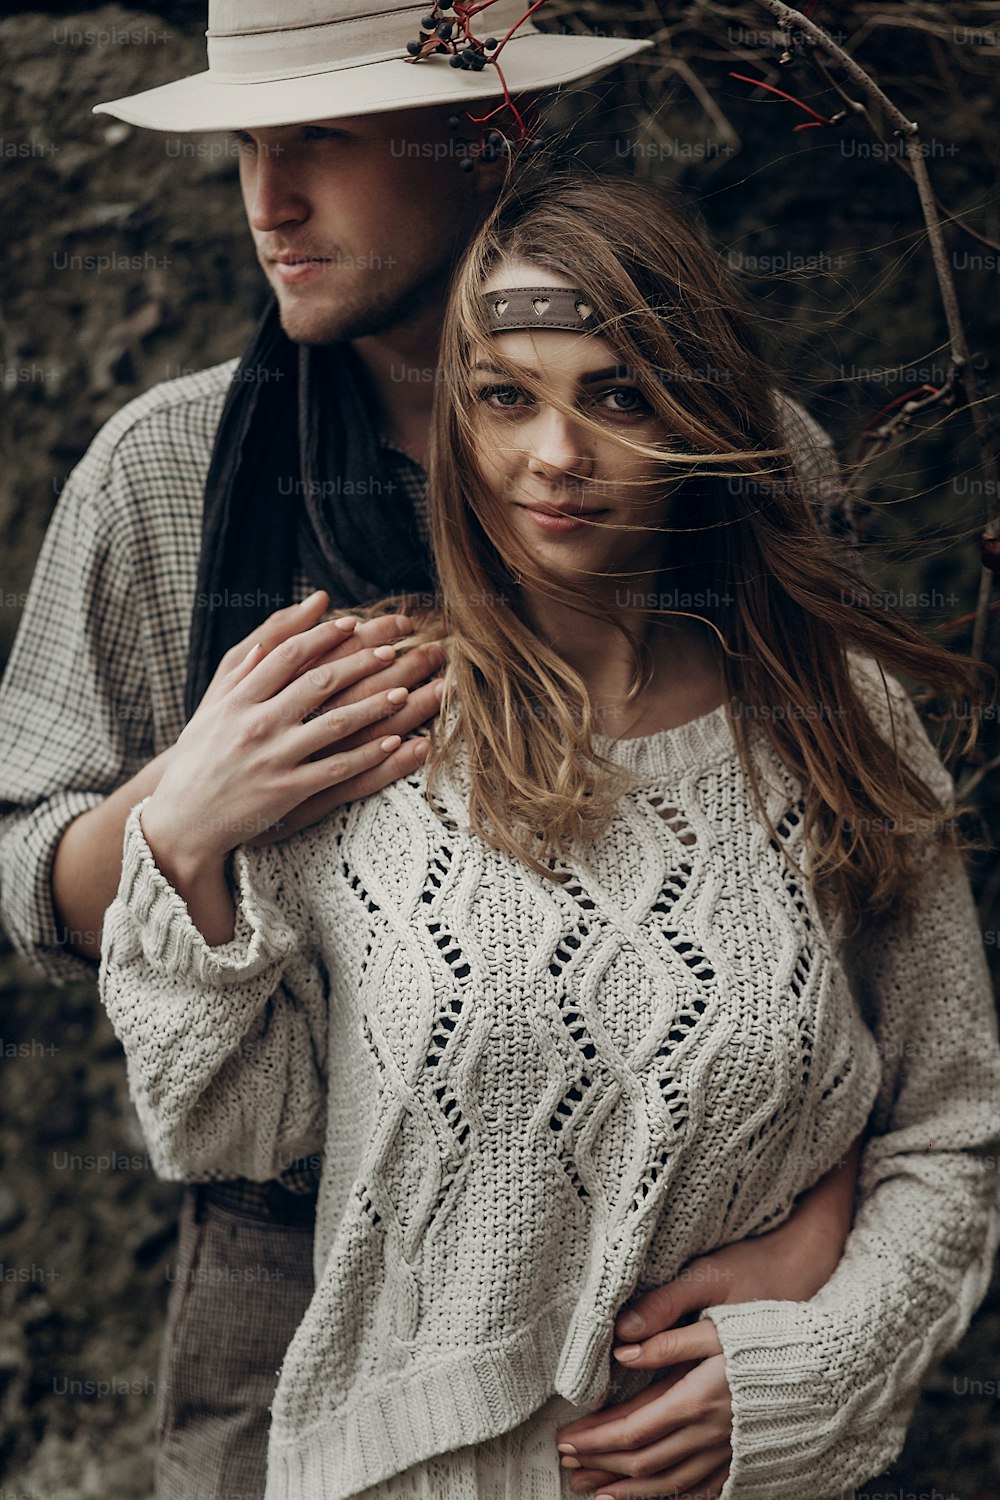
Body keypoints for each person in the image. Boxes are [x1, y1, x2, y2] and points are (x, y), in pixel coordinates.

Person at [0, 2, 862, 1495]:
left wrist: (822, 1233)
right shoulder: (167, 473)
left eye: (321, 139)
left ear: (489, 131)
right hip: (296, 1256)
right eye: (248, 147)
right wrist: (182, 809)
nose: (270, 200)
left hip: (679, 1246)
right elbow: (24, 871)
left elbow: (848, 904)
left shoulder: (746, 459)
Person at [99, 172, 1000, 1500]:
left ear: (703, 416)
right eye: (506, 396)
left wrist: (803, 1373)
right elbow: (236, 1128)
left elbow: (953, 1126)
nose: (556, 456)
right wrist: (178, 847)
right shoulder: (375, 711)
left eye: (619, 395)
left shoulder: (833, 719)